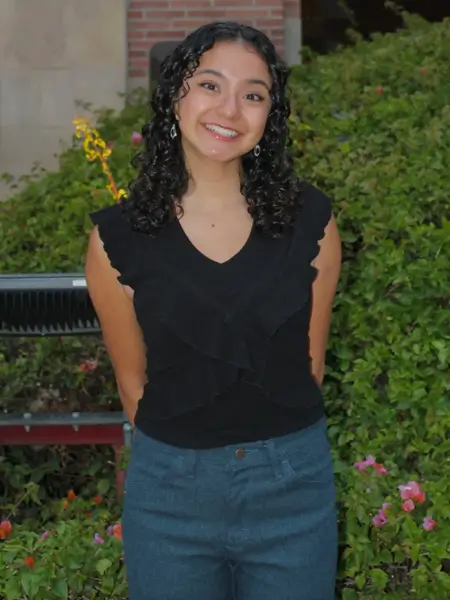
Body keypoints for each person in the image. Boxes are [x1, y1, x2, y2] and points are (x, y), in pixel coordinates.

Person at [85, 21, 341, 600]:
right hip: (169, 496)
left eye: (253, 94)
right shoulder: (116, 240)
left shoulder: (312, 223)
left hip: (292, 488)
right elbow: (132, 384)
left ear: (270, 115)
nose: (230, 108)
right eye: (210, 84)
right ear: (175, 94)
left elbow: (310, 365)